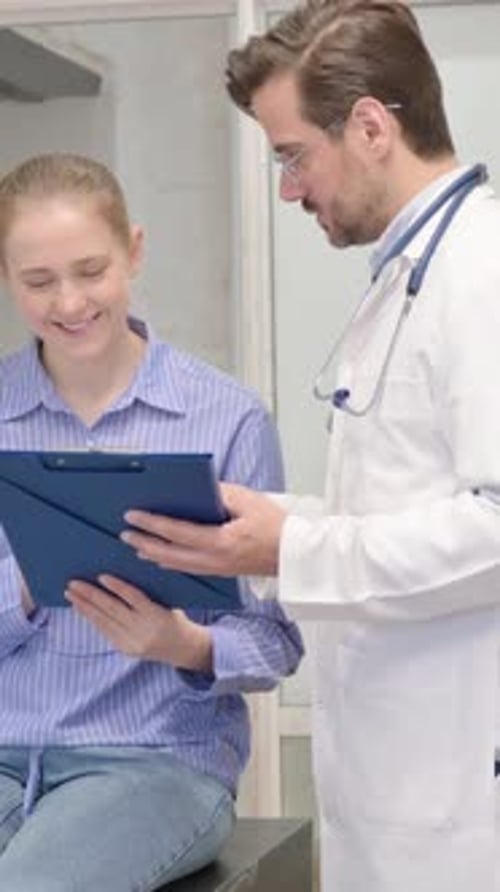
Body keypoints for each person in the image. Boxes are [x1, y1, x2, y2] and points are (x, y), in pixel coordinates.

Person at [112, 2, 500, 890]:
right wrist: (258, 519)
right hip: (392, 768)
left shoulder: (482, 274)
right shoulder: (408, 278)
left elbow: (495, 524)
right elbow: (403, 508)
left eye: (293, 156)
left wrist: (288, 545)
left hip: (458, 789)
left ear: (370, 126)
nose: (289, 189)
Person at [0, 151, 304, 892]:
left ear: (134, 251)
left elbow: (278, 640)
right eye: (39, 282)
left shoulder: (228, 418)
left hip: (156, 763)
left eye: (90, 270)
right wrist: (31, 587)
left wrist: (187, 644)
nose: (69, 302)